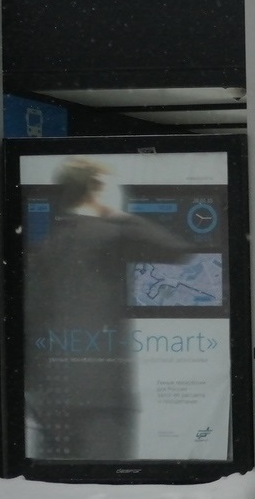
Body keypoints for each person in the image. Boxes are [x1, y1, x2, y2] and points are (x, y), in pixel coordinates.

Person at [24, 156, 193, 460]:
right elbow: (176, 250)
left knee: (57, 487)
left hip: (54, 397)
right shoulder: (111, 235)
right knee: (107, 488)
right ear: (97, 190)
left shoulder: (48, 245)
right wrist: (115, 215)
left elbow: (32, 317)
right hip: (104, 399)